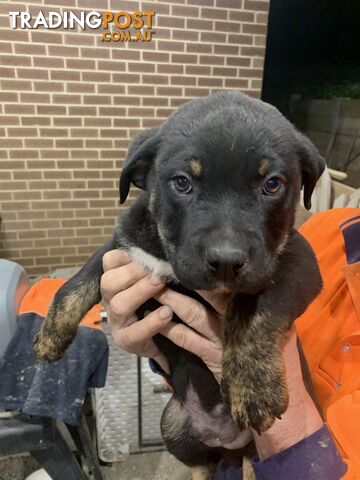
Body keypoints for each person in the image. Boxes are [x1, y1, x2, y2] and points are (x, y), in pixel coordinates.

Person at [100, 208, 360, 479]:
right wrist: (164, 348)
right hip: (218, 434)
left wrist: (249, 363)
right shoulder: (332, 226)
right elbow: (210, 332)